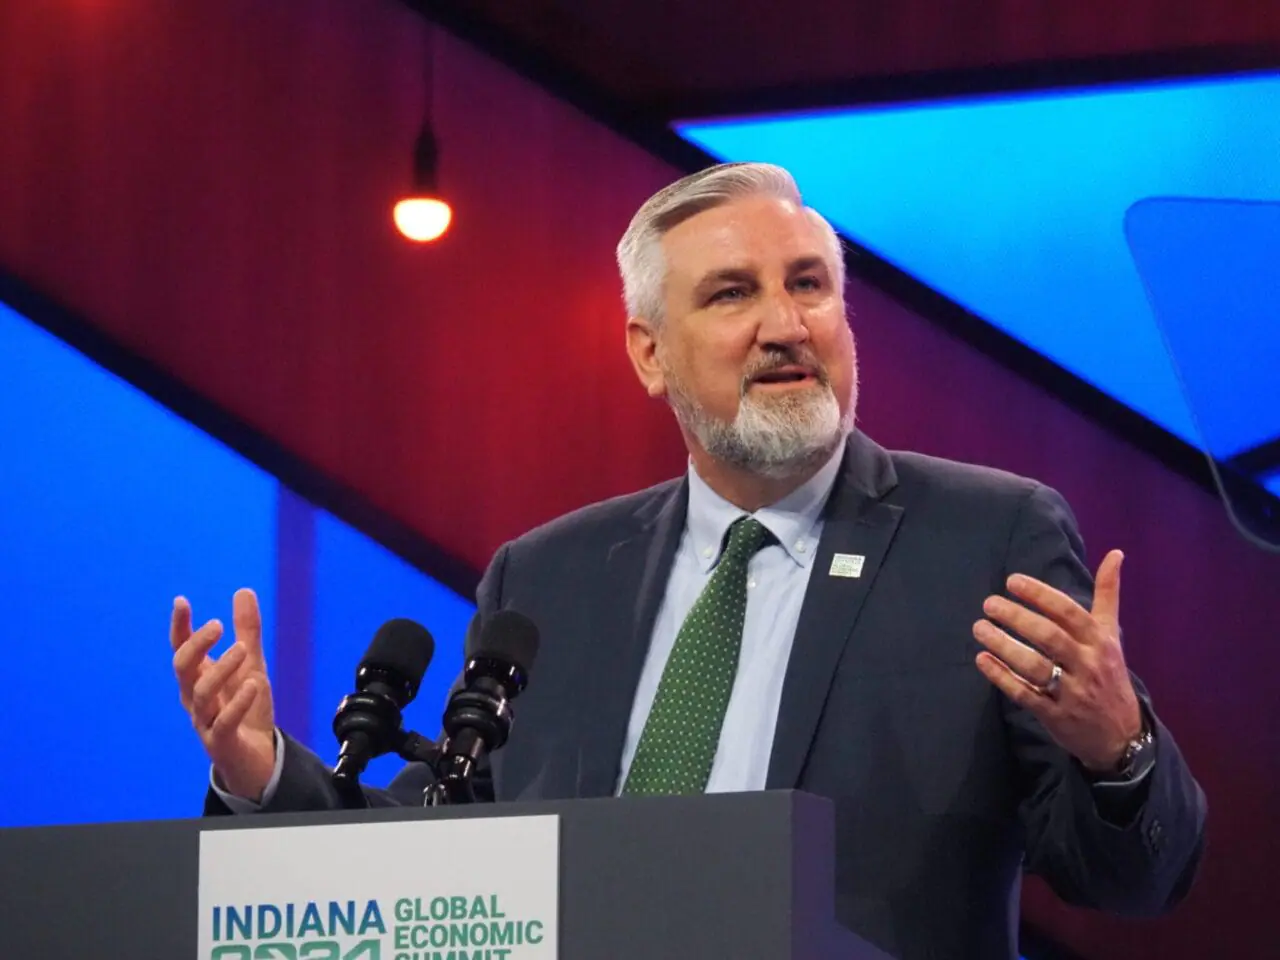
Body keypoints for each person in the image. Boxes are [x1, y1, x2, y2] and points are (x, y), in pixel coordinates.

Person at [173, 162, 1206, 960]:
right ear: (647, 352)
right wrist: (264, 774)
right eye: (729, 294)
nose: (782, 324)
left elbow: (1128, 880)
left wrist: (1116, 749)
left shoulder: (985, 536)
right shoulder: (548, 578)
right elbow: (448, 843)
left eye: (808, 286)